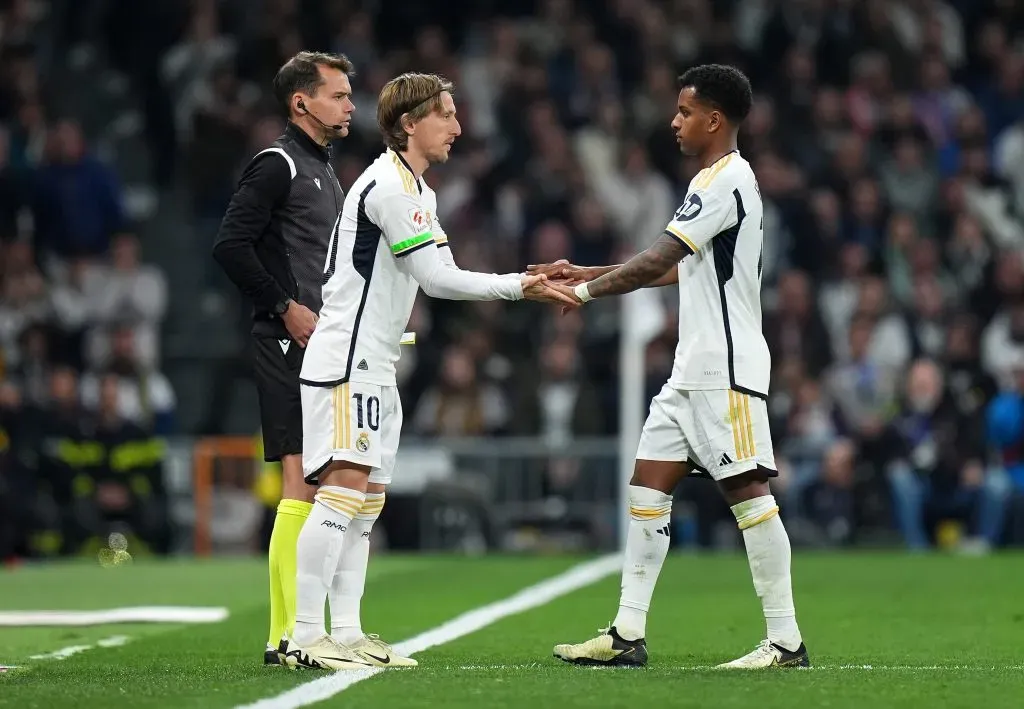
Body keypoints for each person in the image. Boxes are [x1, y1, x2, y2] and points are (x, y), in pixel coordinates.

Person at [277, 72, 575, 671]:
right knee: (341, 494)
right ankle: (306, 636)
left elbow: (432, 271)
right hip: (349, 359)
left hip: (379, 364)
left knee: (364, 504)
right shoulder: (389, 187)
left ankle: (350, 631)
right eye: (446, 114)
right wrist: (521, 286)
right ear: (410, 123)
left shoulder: (415, 190)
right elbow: (438, 279)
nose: (459, 128)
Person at [534, 64, 810, 669]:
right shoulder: (712, 180)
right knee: (646, 489)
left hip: (725, 369)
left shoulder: (727, 179)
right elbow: (678, 264)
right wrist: (591, 274)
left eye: (684, 112)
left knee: (750, 496)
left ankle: (786, 641)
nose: (674, 121)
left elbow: (663, 253)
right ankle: (626, 633)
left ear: (714, 119)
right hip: (692, 370)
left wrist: (584, 296)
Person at [211, 51, 355, 666]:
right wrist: (285, 307)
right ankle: (285, 636)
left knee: (321, 481)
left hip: (322, 342)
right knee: (301, 478)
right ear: (303, 102)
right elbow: (229, 245)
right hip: (285, 338)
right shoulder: (278, 164)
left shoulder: (324, 170)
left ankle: (299, 632)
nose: (351, 104)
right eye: (339, 94)